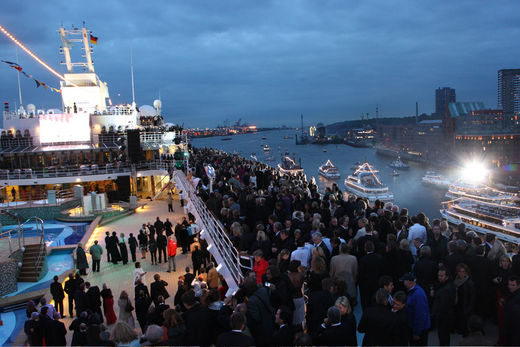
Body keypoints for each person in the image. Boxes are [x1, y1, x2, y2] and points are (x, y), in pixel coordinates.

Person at [401, 272, 430, 346]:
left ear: (408, 282)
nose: (403, 283)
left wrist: (416, 333)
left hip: (419, 330)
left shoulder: (417, 295)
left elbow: (420, 315)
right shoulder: (415, 291)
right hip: (417, 328)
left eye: (404, 281)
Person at [431, 266, 456, 346]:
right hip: (447, 316)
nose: (439, 277)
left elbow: (442, 305)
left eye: (441, 276)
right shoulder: (448, 286)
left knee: (443, 338)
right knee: (445, 337)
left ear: (447, 276)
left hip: (443, 317)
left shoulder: (445, 290)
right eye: (439, 275)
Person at [502, 275, 520, 346]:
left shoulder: (517, 298)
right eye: (509, 284)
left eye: (513, 285)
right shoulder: (512, 294)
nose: (510, 287)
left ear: (519, 286)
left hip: (514, 333)